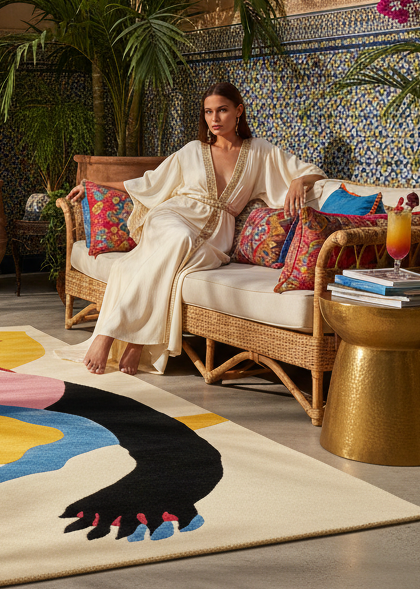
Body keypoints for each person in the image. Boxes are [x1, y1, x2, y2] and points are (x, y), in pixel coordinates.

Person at [59, 82, 326, 376]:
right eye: (209, 112)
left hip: (216, 237)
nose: (215, 119)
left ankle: (134, 340)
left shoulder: (260, 152)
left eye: (222, 110)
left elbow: (310, 170)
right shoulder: (192, 151)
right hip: (173, 217)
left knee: (168, 267)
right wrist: (94, 186)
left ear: (238, 111)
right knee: (179, 239)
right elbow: (149, 183)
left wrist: (301, 181)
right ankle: (110, 335)